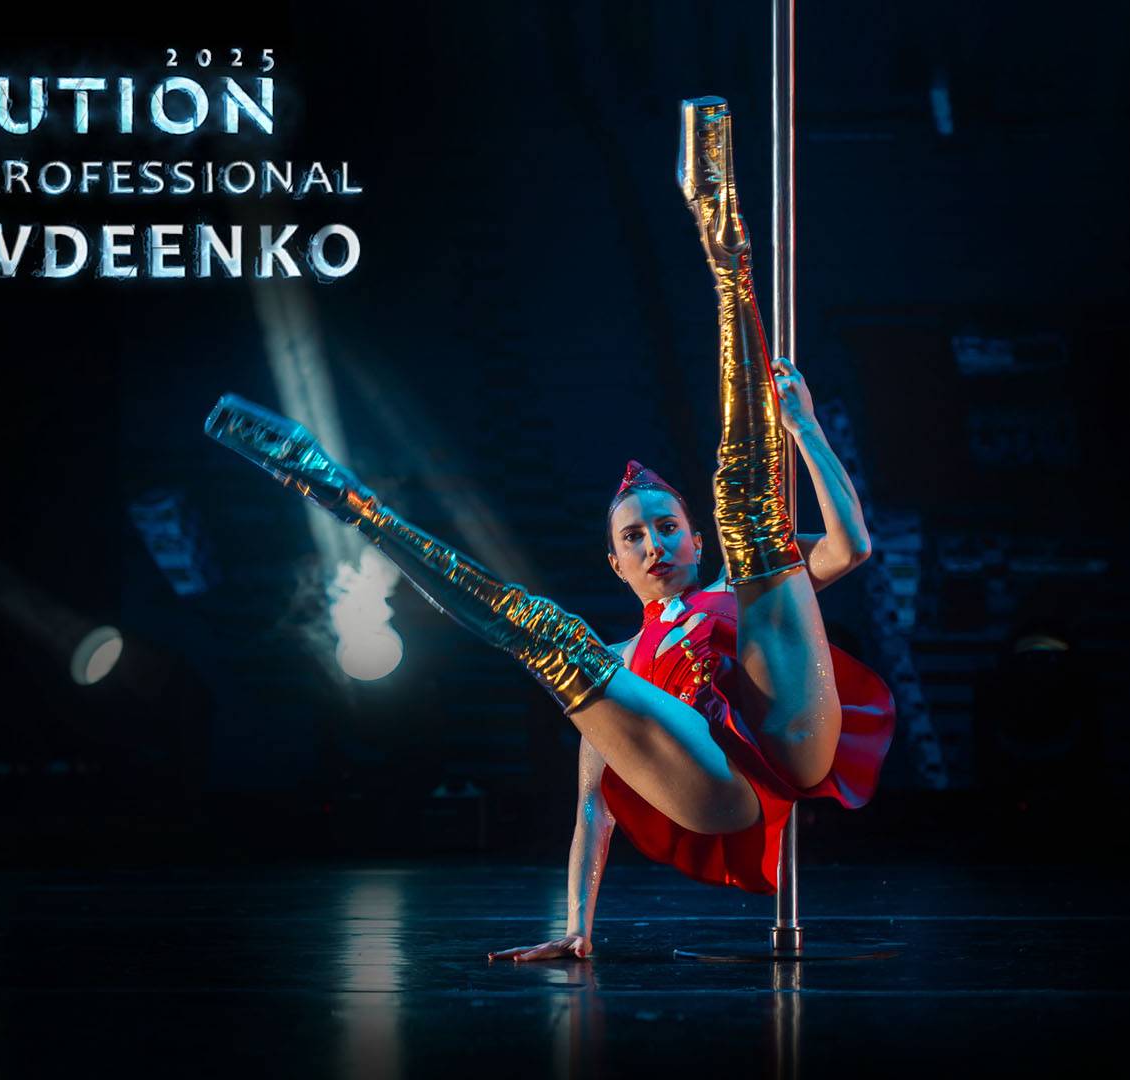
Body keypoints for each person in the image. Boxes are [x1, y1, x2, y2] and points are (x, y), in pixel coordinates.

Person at [203, 96, 892, 963]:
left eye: (666, 528)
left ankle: (724, 238)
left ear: (691, 542)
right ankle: (339, 493)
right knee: (550, 636)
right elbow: (594, 808)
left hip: (792, 723)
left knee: (747, 501)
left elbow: (852, 546)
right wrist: (576, 928)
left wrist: (807, 430)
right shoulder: (625, 662)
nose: (655, 544)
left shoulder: (731, 591)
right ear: (616, 562)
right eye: (635, 537)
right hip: (716, 786)